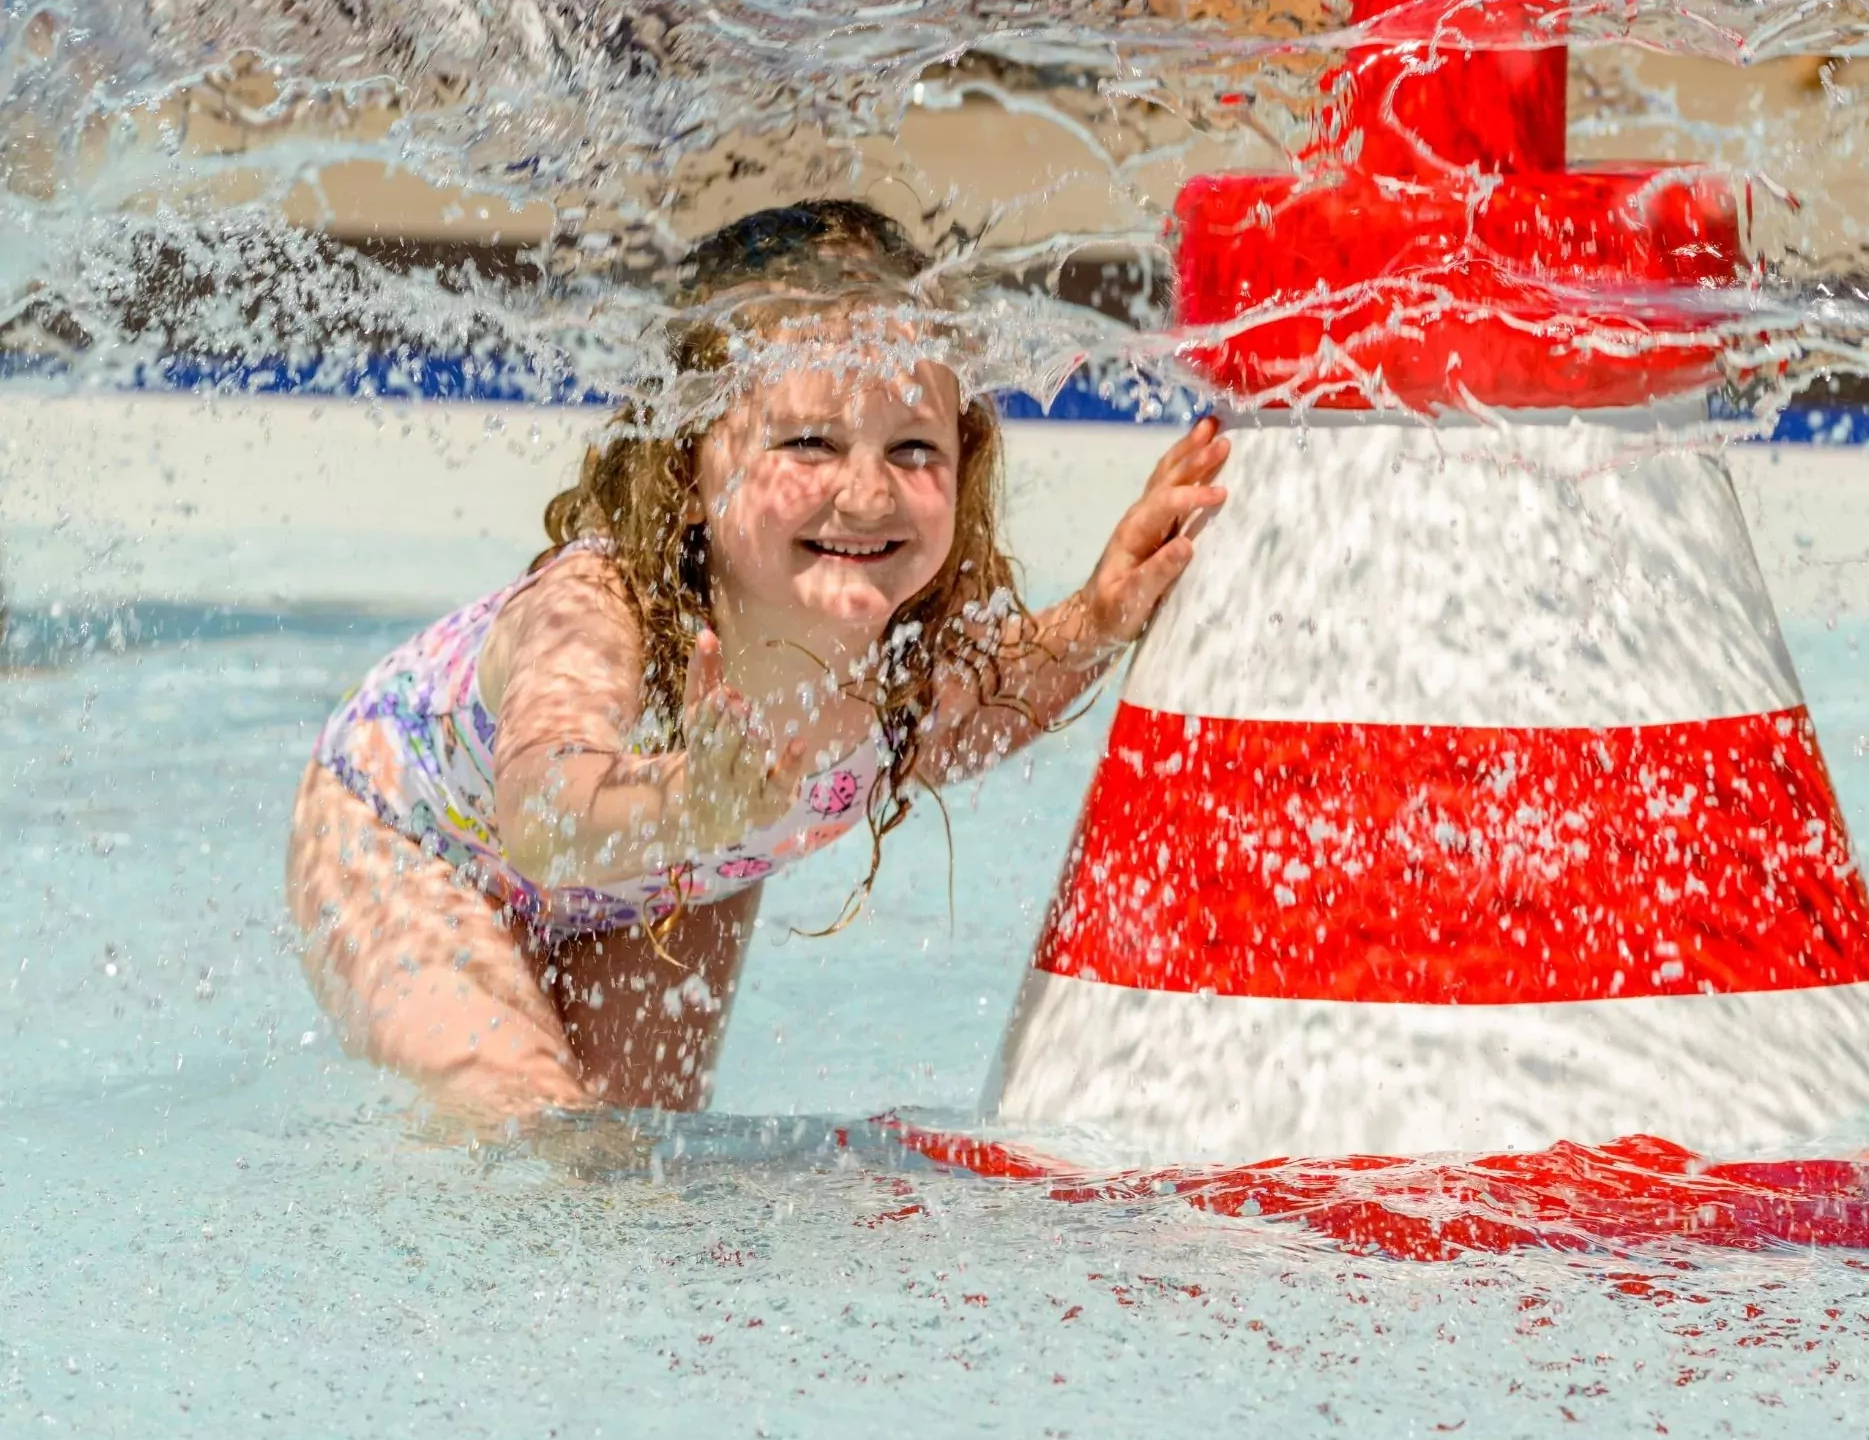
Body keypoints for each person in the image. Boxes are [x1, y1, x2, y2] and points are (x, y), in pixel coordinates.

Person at [284, 199, 1229, 1122]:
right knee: (527, 1127)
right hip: (411, 842)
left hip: (664, 875)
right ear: (693, 467)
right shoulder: (602, 614)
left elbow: (964, 721)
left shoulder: (895, 659)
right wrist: (688, 804)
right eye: (809, 443)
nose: (867, 493)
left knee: (630, 1163)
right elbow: (540, 818)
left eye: (912, 448)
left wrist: (1098, 615)